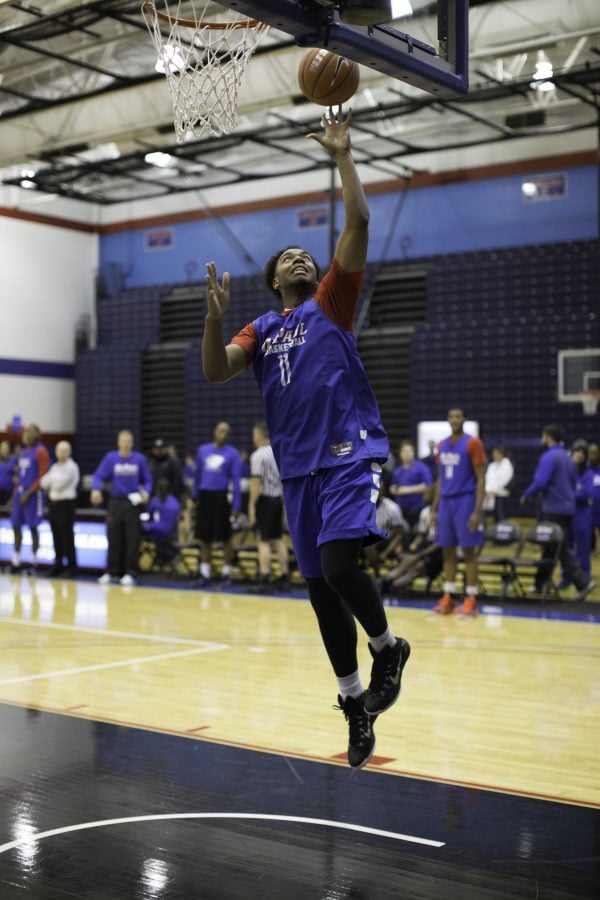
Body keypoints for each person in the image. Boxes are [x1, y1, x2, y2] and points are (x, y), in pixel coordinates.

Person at [202, 109, 410, 769]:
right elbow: (214, 371)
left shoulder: (330, 304)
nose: (300, 255)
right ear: (272, 280)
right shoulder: (261, 328)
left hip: (350, 454)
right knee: (321, 593)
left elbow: (360, 222)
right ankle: (354, 705)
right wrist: (214, 321)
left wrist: (343, 156)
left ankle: (388, 649)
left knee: (344, 567)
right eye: (289, 256)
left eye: (305, 255)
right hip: (298, 474)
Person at [520, 424, 595, 601]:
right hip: (568, 509)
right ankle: (540, 583)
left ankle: (583, 582)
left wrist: (526, 495)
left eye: (543, 436)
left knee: (560, 548)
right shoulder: (568, 458)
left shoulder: (549, 457)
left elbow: (540, 482)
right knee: (550, 546)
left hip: (554, 509)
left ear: (547, 437)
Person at [431, 408, 486, 616]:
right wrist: (434, 509)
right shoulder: (441, 445)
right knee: (447, 551)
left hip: (465, 501)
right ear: (447, 420)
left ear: (464, 419)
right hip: (445, 501)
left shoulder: (473, 443)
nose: (455, 420)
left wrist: (476, 511)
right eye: (452, 417)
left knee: (469, 552)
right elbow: (439, 479)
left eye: (458, 416)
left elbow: (481, 478)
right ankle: (449, 597)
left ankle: (471, 598)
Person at [91, 430, 152, 586]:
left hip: (133, 503)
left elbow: (148, 480)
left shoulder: (139, 459)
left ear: (132, 443)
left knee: (132, 539)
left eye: (128, 441)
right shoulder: (111, 458)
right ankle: (112, 571)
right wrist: (96, 489)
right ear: (118, 442)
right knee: (113, 537)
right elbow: (98, 476)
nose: (125, 444)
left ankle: (130, 572)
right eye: (123, 441)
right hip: (115, 502)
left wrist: (146, 492)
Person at [192, 421, 242, 587]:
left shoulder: (232, 454)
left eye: (226, 432)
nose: (223, 434)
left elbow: (236, 481)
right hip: (205, 497)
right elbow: (197, 476)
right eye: (221, 431)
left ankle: (226, 573)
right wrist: (193, 498)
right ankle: (205, 573)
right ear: (215, 431)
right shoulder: (202, 450)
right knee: (204, 537)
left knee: (226, 537)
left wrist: (236, 506)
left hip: (221, 497)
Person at [247, 422, 290, 592]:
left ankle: (264, 578)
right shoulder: (278, 453)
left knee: (262, 540)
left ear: (259, 434)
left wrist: (251, 506)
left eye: (254, 434)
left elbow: (256, 482)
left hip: (264, 500)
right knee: (278, 538)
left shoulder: (258, 455)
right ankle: (284, 576)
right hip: (278, 499)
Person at [380, 486, 442, 593]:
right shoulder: (425, 511)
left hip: (440, 551)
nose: (423, 497)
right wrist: (414, 543)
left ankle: (391, 584)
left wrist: (421, 553)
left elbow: (441, 542)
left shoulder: (444, 514)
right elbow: (422, 535)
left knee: (417, 566)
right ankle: (387, 581)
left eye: (426, 494)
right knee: (409, 558)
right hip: (428, 546)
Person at [9, 424, 50, 573]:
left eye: (34, 433)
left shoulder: (41, 451)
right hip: (20, 493)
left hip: (34, 494)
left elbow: (43, 475)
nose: (31, 435)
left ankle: (33, 562)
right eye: (28, 432)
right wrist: (15, 495)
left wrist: (29, 493)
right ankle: (16, 561)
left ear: (38, 435)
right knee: (16, 525)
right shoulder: (24, 452)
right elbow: (20, 476)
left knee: (33, 527)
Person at [557, 440, 594, 589]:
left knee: (583, 549)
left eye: (582, 453)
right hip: (567, 514)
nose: (579, 455)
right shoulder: (566, 471)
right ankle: (566, 578)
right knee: (566, 548)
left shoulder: (589, 474)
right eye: (576, 452)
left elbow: (588, 493)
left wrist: (570, 494)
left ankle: (585, 579)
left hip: (582, 515)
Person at [40, 441, 80, 577]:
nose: (62, 453)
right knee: (56, 536)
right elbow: (43, 482)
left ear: (69, 452)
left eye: (65, 451)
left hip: (66, 505)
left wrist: (51, 481)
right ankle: (58, 565)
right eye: (59, 451)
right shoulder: (55, 467)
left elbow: (58, 484)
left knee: (67, 537)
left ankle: (72, 567)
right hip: (53, 505)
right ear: (56, 452)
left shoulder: (72, 467)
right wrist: (51, 481)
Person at [390, 440, 432, 534]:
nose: (407, 454)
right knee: (402, 533)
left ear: (414, 453)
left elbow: (427, 486)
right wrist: (417, 488)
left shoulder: (422, 468)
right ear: (400, 454)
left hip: (419, 509)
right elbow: (393, 489)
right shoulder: (397, 471)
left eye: (409, 451)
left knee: (418, 533)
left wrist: (403, 490)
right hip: (402, 510)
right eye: (404, 451)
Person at [362, 487, 406, 575]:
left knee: (368, 546)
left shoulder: (392, 508)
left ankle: (377, 576)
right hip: (361, 538)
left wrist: (386, 553)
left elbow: (399, 534)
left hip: (383, 540)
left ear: (382, 492)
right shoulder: (360, 505)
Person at [142, 477, 180, 566]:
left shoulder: (155, 500)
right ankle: (164, 557)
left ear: (157, 489)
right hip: (172, 533)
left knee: (136, 529)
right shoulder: (175, 502)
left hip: (158, 530)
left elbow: (149, 516)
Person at [483, 446, 514, 522]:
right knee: (495, 517)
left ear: (501, 454)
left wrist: (494, 489)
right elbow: (488, 478)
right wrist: (487, 490)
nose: (494, 455)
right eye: (493, 453)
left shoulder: (507, 465)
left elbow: (504, 479)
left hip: (502, 495)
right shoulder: (492, 465)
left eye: (496, 453)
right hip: (491, 495)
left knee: (502, 517)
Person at [589, 443, 600, 553]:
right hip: (590, 508)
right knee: (590, 529)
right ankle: (592, 549)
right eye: (590, 453)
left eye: (595, 453)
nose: (593, 456)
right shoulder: (585, 471)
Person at [0, 441, 17, 506]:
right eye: (3, 449)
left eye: (6, 449)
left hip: (9, 492)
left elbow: (19, 473)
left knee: (7, 512)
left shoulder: (14, 460)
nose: (5, 451)